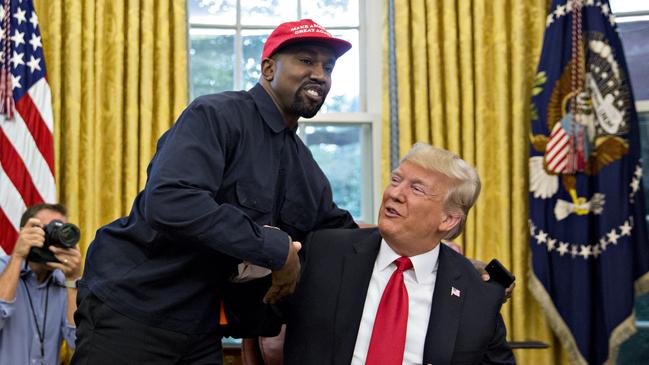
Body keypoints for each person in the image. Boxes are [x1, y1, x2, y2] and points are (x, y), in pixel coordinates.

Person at [72, 19, 357, 365]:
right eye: (306, 60)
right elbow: (171, 200)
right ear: (268, 68)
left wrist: (416, 247)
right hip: (134, 310)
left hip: (203, 326)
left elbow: (337, 234)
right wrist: (275, 249)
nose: (320, 74)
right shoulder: (216, 114)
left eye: (328, 67)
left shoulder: (303, 164)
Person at [282, 143, 516, 365]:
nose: (395, 193)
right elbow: (260, 315)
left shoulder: (477, 293)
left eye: (416, 188)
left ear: (448, 219)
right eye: (395, 180)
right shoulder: (324, 252)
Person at [0, 203, 83, 365]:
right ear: (23, 233)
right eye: (44, 230)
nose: (51, 239)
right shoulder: (3, 269)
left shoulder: (64, 283)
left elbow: (78, 342)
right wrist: (18, 256)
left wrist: (73, 279)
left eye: (59, 231)